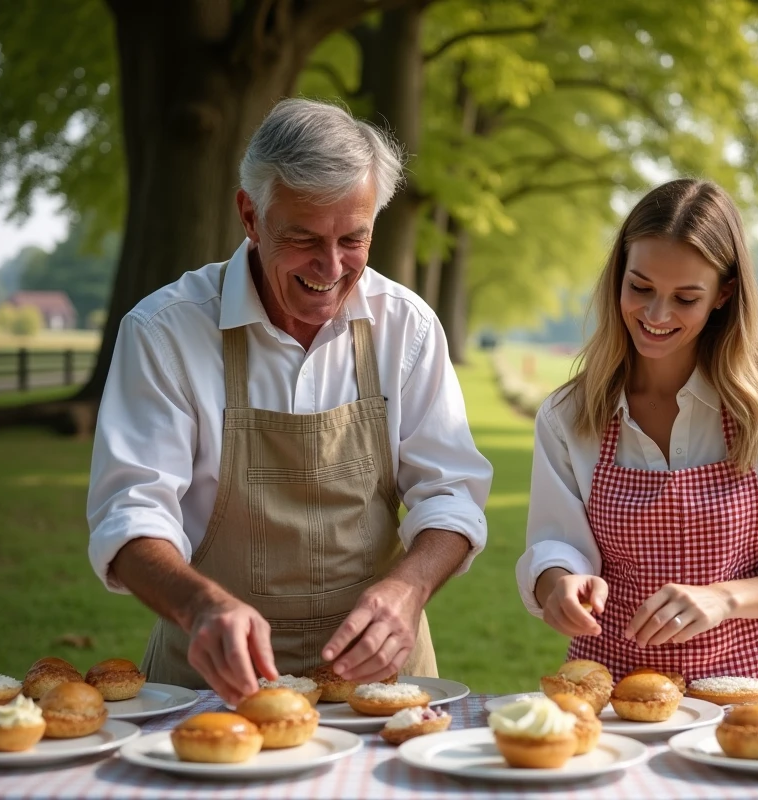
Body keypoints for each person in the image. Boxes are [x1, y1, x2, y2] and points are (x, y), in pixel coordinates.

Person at [87, 98, 492, 705]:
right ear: (250, 214)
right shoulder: (165, 330)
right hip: (209, 686)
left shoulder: (406, 327)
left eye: (354, 239)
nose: (330, 268)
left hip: (379, 684)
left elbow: (451, 494)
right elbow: (130, 512)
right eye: (303, 238)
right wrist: (199, 607)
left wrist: (408, 588)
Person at [516, 179, 758, 692]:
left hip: (755, 684)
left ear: (724, 294)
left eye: (685, 298)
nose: (655, 315)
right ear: (617, 277)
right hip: (617, 682)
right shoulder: (569, 414)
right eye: (640, 287)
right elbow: (555, 544)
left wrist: (723, 598)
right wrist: (559, 582)